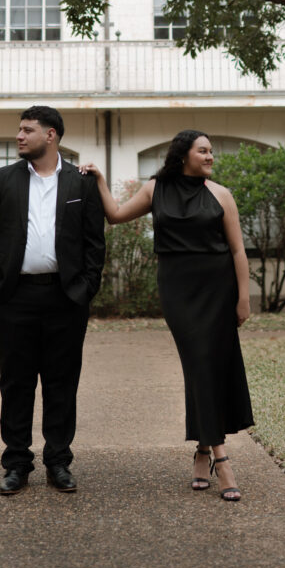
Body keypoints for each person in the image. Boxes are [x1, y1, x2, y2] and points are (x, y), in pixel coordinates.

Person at [80, 130, 254, 501]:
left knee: (209, 367)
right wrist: (100, 180)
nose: (210, 157)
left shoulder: (221, 194)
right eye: (203, 151)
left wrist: (243, 298)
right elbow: (115, 216)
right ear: (183, 154)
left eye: (211, 152)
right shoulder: (156, 188)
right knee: (198, 363)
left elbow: (238, 251)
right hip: (178, 289)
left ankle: (206, 451)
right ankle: (221, 459)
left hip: (217, 288)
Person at [0, 105, 105, 496]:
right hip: (14, 299)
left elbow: (94, 243)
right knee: (16, 383)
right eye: (19, 129)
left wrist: (85, 289)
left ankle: (58, 461)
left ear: (51, 135)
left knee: (61, 382)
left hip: (66, 299)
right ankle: (16, 463)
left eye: (28, 130)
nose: (19, 135)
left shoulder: (80, 182)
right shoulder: (3, 180)